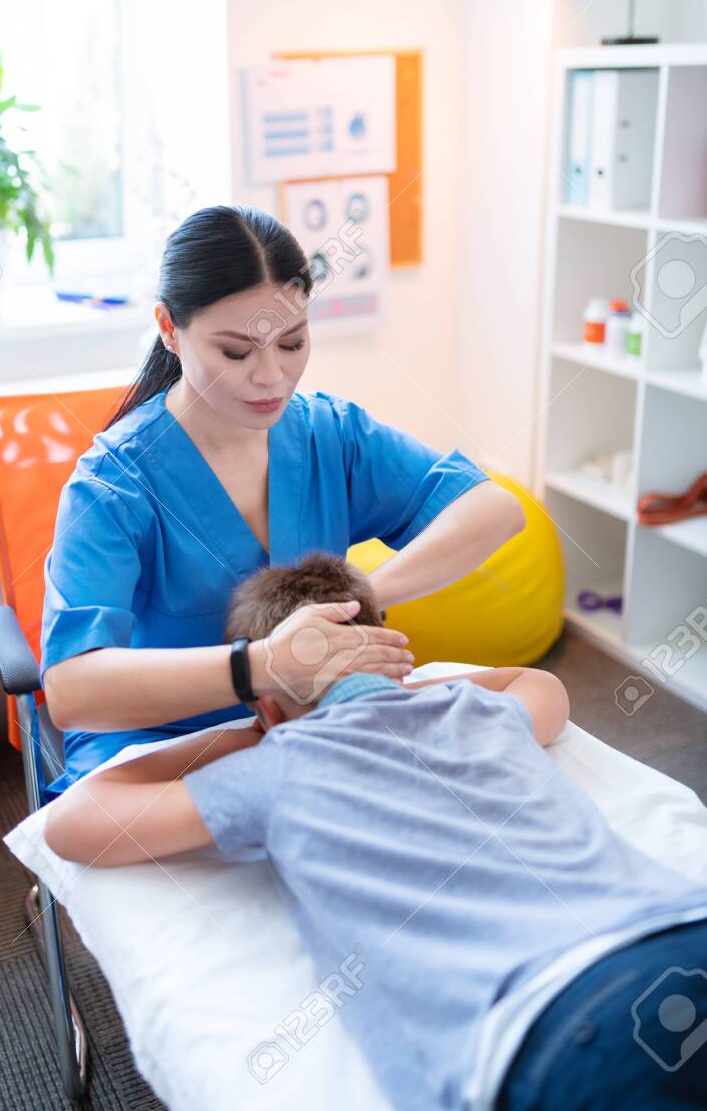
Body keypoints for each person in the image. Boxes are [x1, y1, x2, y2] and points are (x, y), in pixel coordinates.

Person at [44, 551, 707, 1111]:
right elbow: (541, 686)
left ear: (268, 708)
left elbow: (73, 824)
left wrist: (260, 729)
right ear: (396, 659)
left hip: (559, 1022)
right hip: (683, 930)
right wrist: (398, 688)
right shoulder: (480, 711)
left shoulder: (276, 767)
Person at [40, 204, 525, 797]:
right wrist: (265, 665)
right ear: (168, 328)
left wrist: (359, 598)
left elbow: (493, 509)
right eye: (236, 353)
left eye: (292, 343)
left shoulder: (328, 434)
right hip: (159, 744)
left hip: (312, 722)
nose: (272, 377)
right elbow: (72, 691)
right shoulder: (115, 484)